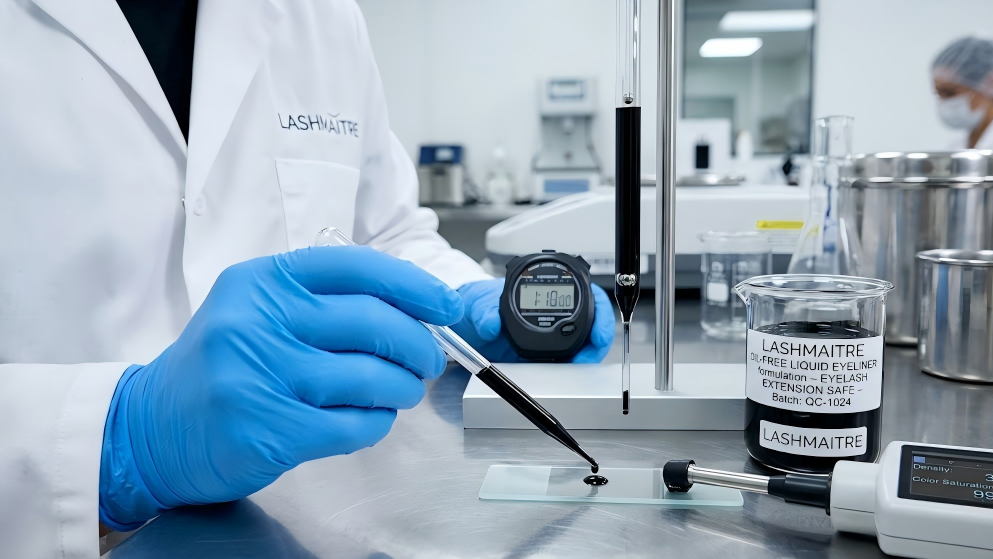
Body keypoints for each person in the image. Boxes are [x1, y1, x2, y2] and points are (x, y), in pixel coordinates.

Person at [0, 1, 614, 556]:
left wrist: (465, 306)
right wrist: (114, 445)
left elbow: (385, 232)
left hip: (299, 525)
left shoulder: (321, 15)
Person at [932, 36, 993, 252]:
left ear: (991, 82)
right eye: (937, 92)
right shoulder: (961, 143)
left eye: (949, 92)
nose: (943, 103)